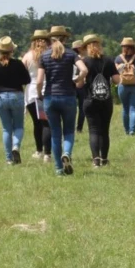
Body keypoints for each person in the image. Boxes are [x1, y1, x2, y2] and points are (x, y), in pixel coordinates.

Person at [40, 26, 88, 175]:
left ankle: (59, 169)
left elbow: (39, 81)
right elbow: (85, 70)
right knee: (68, 131)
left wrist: (39, 94)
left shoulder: (45, 55)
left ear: (50, 39)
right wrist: (77, 80)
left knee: (55, 133)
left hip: (50, 97)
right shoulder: (71, 54)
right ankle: (66, 152)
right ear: (65, 39)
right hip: (68, 95)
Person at [0, 37, 31, 165]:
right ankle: (16, 146)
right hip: (17, 96)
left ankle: (9, 159)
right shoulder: (18, 64)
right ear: (12, 51)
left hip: (1, 97)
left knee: (6, 129)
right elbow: (27, 80)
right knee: (19, 126)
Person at [80, 34, 120, 167]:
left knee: (93, 129)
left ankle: (95, 159)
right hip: (106, 100)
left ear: (86, 47)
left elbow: (79, 83)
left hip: (90, 99)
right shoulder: (108, 60)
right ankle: (104, 158)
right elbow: (116, 80)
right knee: (104, 130)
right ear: (99, 46)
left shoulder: (84, 62)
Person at [21, 30, 52, 162]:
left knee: (36, 124)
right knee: (46, 124)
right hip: (47, 91)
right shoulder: (51, 55)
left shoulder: (27, 56)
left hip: (31, 93)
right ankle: (47, 153)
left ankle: (39, 150)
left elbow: (22, 76)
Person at [114, 38, 135, 136]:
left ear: (123, 47)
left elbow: (115, 73)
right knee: (133, 109)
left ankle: (126, 130)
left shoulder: (118, 58)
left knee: (125, 109)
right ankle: (132, 131)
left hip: (122, 86)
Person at [72, 39, 87, 134]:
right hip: (82, 85)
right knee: (82, 108)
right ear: (80, 48)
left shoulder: (71, 58)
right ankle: (79, 128)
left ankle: (71, 127)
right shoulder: (86, 59)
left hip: (72, 84)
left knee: (72, 108)